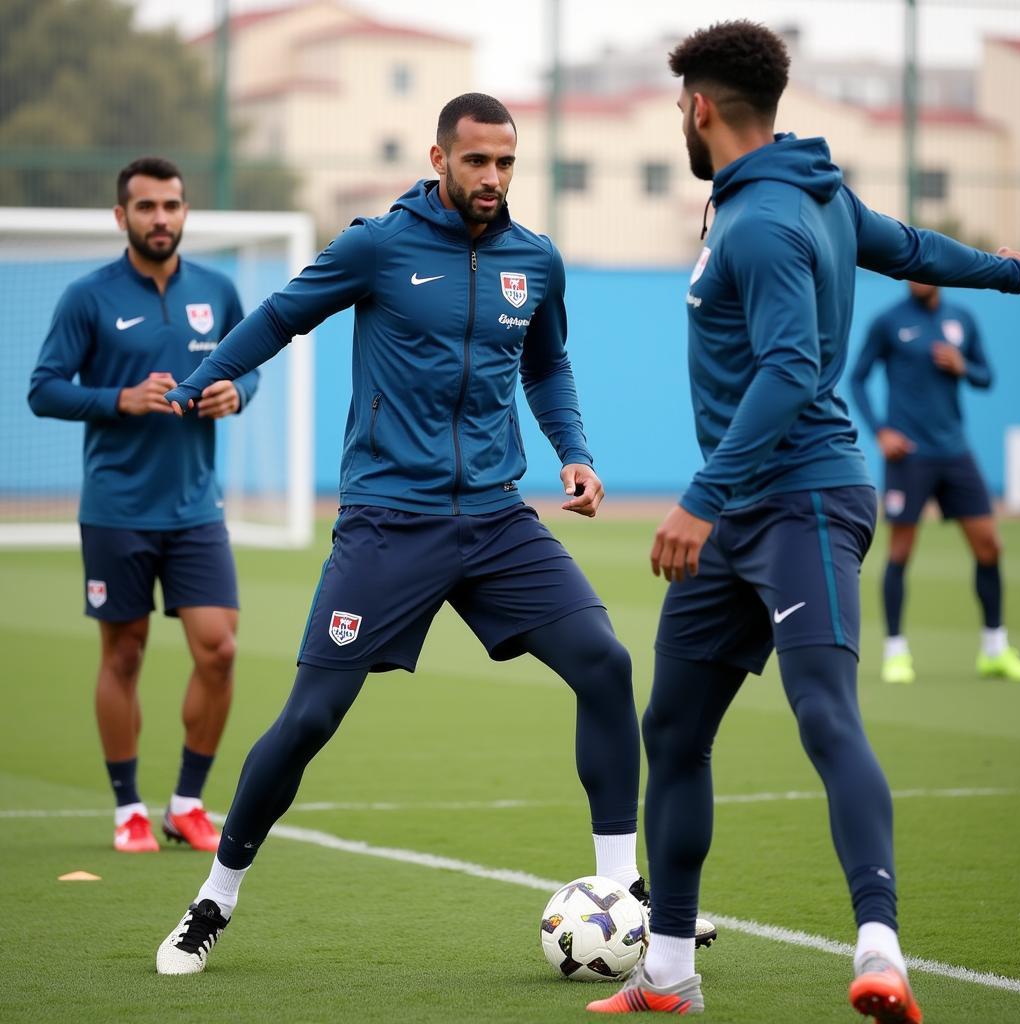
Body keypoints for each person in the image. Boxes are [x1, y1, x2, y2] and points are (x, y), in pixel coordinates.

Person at [154, 92, 657, 976]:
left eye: (506, 162)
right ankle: (213, 899)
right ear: (438, 158)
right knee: (311, 717)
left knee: (606, 663)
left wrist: (573, 453)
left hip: (498, 519)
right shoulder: (378, 246)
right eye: (477, 162)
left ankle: (620, 892)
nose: (494, 178)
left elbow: (545, 363)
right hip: (390, 521)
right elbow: (281, 315)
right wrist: (204, 379)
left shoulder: (536, 261)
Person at [585, 21, 1020, 1022]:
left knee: (822, 708)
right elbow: (914, 248)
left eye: (677, 107)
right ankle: (664, 972)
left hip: (803, 500)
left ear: (698, 107)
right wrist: (1011, 270)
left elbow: (789, 369)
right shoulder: (802, 197)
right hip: (743, 508)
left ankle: (880, 949)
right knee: (674, 728)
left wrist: (697, 499)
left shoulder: (764, 223)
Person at [28, 157, 260, 854]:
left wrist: (237, 392)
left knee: (219, 651)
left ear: (185, 211)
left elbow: (247, 362)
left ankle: (186, 801)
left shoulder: (217, 290)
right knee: (124, 654)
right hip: (117, 509)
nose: (161, 218)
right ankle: (129, 807)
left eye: (172, 205)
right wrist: (118, 399)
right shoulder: (88, 296)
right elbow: (43, 389)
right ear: (120, 215)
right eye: (147, 207)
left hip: (195, 509)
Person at [850, 281, 1020, 685]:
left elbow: (986, 377)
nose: (917, 278)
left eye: (924, 271)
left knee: (989, 545)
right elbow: (857, 379)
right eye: (910, 272)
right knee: (900, 551)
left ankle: (994, 650)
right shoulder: (888, 322)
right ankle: (896, 652)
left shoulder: (960, 319)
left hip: (955, 451)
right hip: (908, 455)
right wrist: (880, 431)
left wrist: (963, 366)